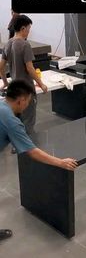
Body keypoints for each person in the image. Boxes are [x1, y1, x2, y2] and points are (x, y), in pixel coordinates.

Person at [0, 79, 78, 241]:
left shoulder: (2, 105)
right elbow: (32, 152)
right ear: (21, 100)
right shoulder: (11, 121)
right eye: (29, 101)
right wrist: (61, 162)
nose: (28, 105)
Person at [0, 14, 47, 142]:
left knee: (17, 118)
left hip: (14, 89)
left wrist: (5, 82)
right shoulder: (25, 45)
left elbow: (1, 67)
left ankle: (16, 144)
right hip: (26, 90)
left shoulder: (7, 44)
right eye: (28, 29)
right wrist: (41, 84)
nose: (28, 32)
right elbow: (30, 68)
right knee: (29, 120)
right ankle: (28, 149)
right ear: (22, 28)